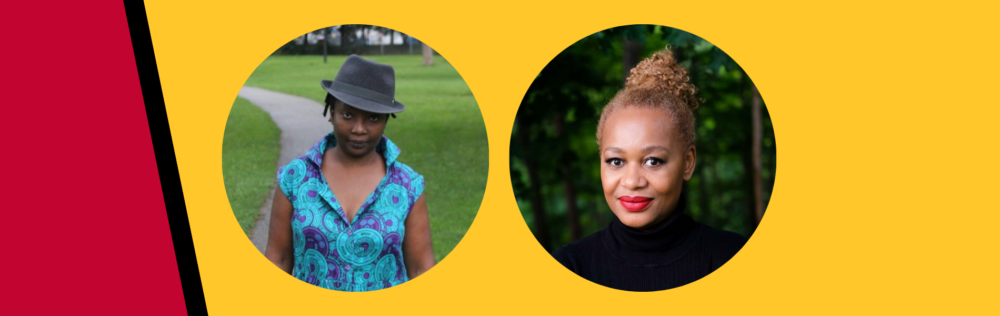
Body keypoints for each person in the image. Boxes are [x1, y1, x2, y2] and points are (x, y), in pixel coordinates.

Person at [552, 49, 748, 291]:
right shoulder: (569, 267)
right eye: (616, 161)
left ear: (688, 162)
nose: (633, 181)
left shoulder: (732, 257)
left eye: (653, 161)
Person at [264, 55, 435, 292]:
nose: (359, 129)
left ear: (386, 119)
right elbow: (278, 261)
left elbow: (420, 270)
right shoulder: (295, 178)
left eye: (373, 118)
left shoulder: (407, 185)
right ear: (331, 111)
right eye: (347, 115)